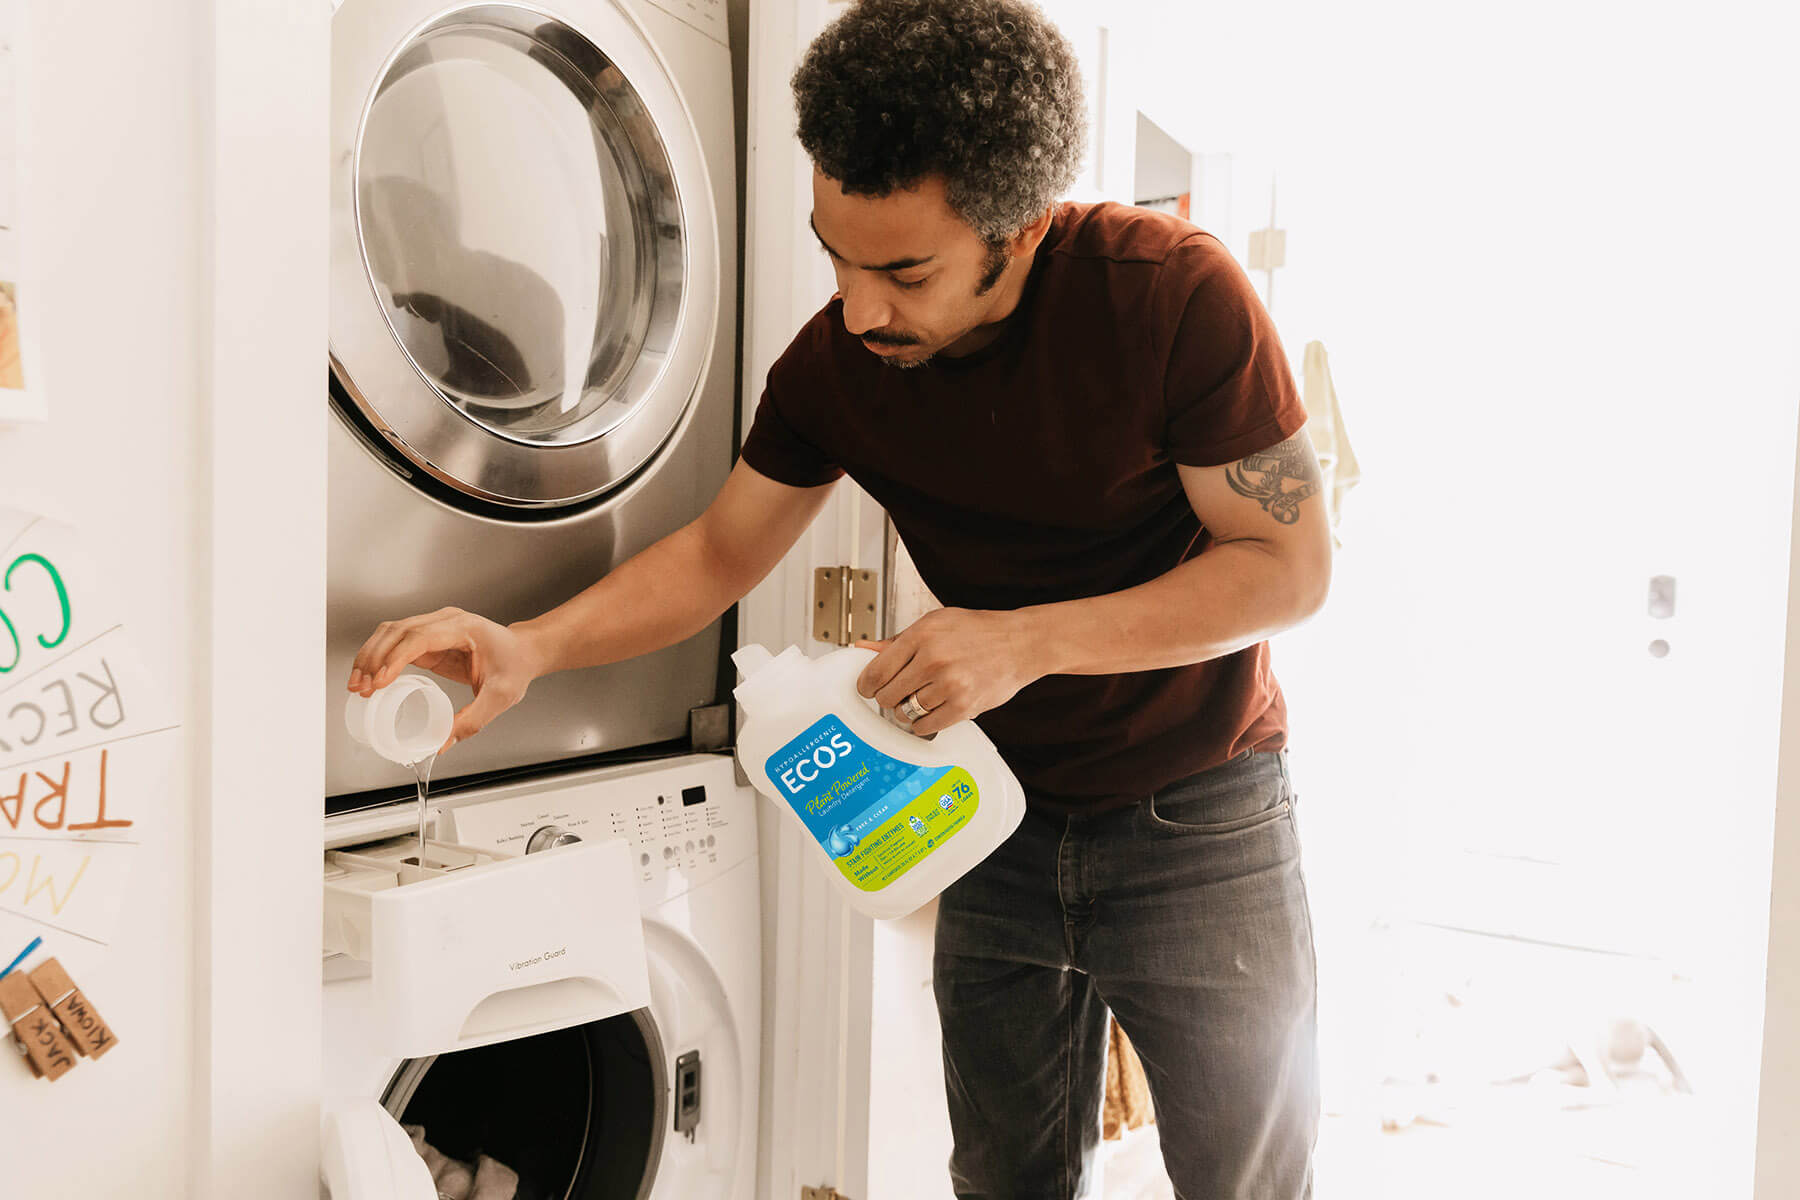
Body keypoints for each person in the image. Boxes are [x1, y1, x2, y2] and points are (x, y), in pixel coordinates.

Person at [349, 0, 1331, 1194]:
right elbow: (719, 555)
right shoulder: (840, 365)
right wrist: (529, 645)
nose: (861, 308)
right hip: (992, 821)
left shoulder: (1171, 298)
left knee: (1248, 1181)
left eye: (904, 270)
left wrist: (1023, 644)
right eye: (836, 254)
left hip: (1199, 814)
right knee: (1006, 1181)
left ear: (1016, 233)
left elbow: (1288, 567)